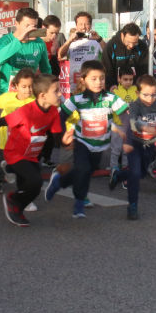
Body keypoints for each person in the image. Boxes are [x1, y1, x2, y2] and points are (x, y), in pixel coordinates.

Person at [0, 73, 72, 227]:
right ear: (42, 95)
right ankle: (13, 199)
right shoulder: (25, 112)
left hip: (32, 155)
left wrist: (65, 141)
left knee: (33, 188)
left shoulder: (54, 112)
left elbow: (56, 138)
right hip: (15, 153)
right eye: (56, 91)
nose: (60, 94)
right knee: (34, 181)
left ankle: (17, 208)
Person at [44, 60, 130, 218]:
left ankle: (58, 183)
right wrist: (64, 136)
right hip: (81, 142)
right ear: (83, 80)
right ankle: (79, 204)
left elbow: (126, 113)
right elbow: (60, 117)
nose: (99, 82)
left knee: (84, 172)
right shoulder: (77, 99)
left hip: (101, 146)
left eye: (102, 78)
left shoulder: (111, 98)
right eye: (94, 78)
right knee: (82, 170)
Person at [110, 75, 156, 219]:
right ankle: (133, 206)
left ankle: (119, 175)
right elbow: (133, 122)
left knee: (141, 173)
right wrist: (144, 128)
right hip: (134, 143)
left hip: (149, 145)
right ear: (138, 93)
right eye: (146, 95)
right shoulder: (135, 105)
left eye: (153, 95)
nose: (150, 99)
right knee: (135, 175)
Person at [0, 7, 51, 95]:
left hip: (28, 94)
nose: (31, 29)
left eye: (34, 26)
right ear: (17, 24)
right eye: (27, 26)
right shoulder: (6, 40)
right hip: (6, 93)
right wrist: (19, 40)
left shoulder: (39, 43)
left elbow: (46, 70)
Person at [102, 23, 149, 89]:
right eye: (128, 42)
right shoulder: (111, 46)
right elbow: (107, 69)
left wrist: (139, 85)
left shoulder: (142, 46)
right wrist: (111, 85)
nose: (131, 45)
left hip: (135, 89)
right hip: (116, 88)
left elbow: (144, 69)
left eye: (135, 42)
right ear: (122, 35)